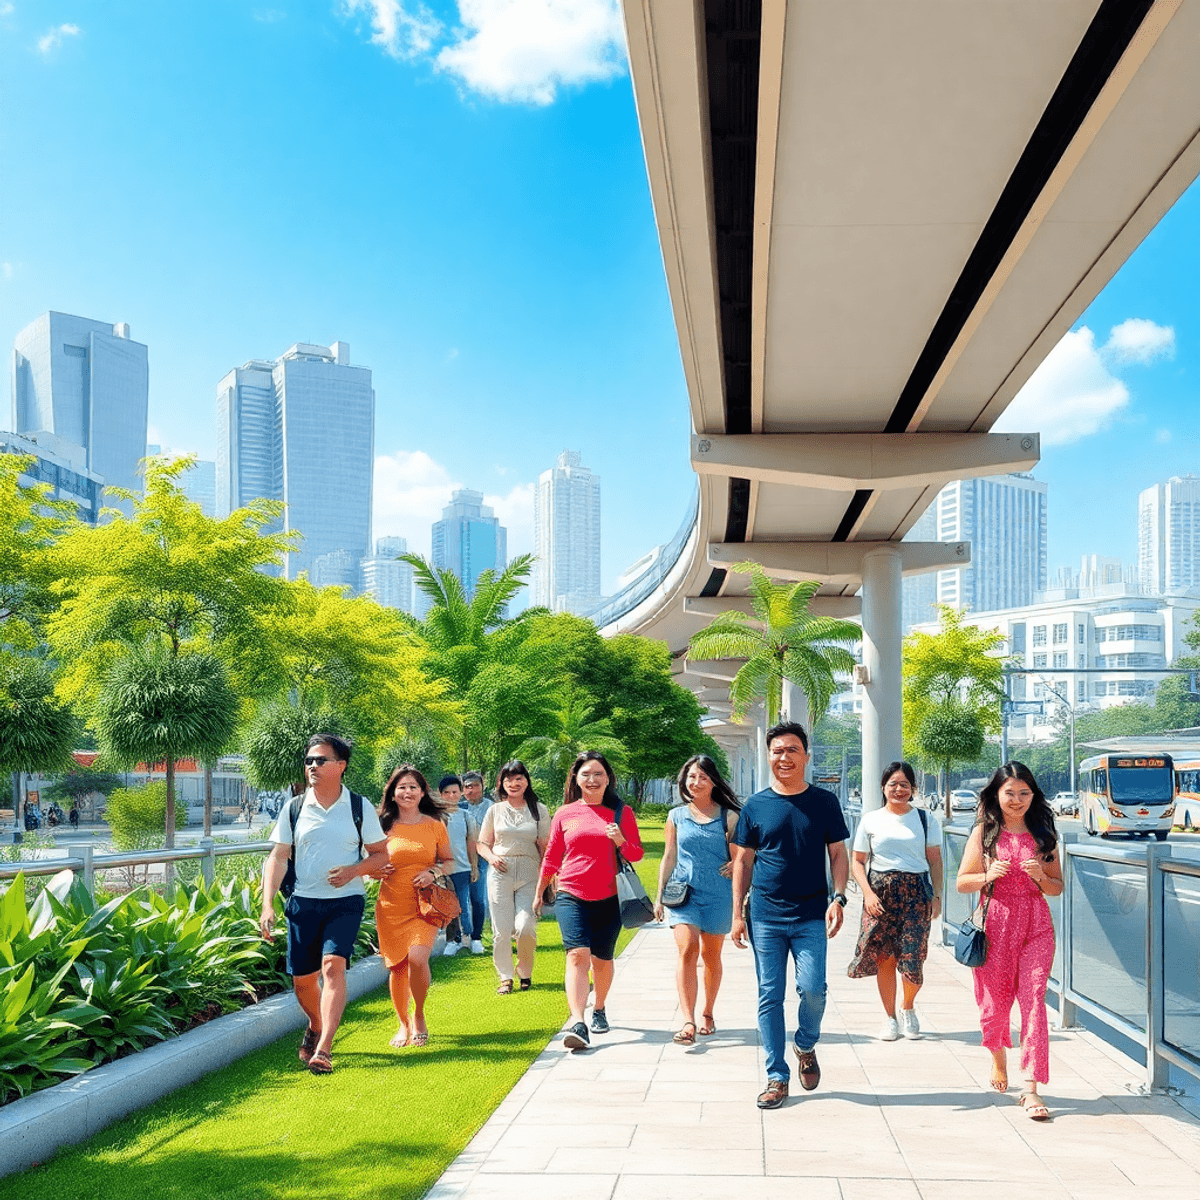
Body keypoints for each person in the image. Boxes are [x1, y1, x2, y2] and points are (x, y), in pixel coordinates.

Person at [731, 721, 850, 1109]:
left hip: (811, 914)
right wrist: (737, 913)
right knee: (770, 995)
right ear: (769, 756)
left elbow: (837, 854)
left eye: (792, 750)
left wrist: (839, 898)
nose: (784, 757)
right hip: (764, 915)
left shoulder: (824, 802)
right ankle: (775, 1077)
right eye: (778, 750)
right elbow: (743, 861)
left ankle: (805, 1043)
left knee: (814, 990)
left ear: (806, 755)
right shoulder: (755, 806)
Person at [259, 734, 389, 1074]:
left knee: (333, 966)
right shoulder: (294, 807)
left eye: (321, 760)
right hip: (303, 902)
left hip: (345, 902)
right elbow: (278, 857)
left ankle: (324, 1048)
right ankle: (316, 1024)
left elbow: (380, 856)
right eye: (309, 761)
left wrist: (353, 871)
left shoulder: (359, 807)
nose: (312, 766)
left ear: (341, 766)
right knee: (303, 981)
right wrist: (267, 905)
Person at [957, 761, 1062, 1120]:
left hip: (1036, 925)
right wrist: (987, 874)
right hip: (996, 924)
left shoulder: (1044, 833)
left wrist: (1039, 878)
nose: (1017, 800)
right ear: (996, 795)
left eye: (1024, 793)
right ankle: (999, 1059)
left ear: (1034, 795)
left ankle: (1030, 1089)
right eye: (1010, 793)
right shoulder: (985, 833)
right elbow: (962, 882)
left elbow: (1056, 887)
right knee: (995, 1004)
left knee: (1034, 1000)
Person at [533, 751, 643, 1052]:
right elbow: (553, 855)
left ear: (608, 779)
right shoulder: (564, 813)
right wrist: (540, 891)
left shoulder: (622, 813)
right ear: (576, 779)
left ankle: (600, 1007)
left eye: (598, 774)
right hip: (571, 893)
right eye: (586, 774)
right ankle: (578, 1021)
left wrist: (620, 839)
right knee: (577, 955)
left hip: (610, 896)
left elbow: (636, 854)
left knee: (602, 960)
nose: (592, 780)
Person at [848, 760, 943, 1041]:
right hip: (880, 893)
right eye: (893, 784)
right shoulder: (871, 819)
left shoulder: (926, 819)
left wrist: (937, 896)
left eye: (905, 784)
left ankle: (908, 1007)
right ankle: (889, 1018)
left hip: (916, 893)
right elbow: (857, 862)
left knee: (913, 958)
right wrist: (867, 893)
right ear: (883, 788)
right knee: (885, 958)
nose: (899, 789)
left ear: (913, 789)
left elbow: (935, 862)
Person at [654, 754, 740, 1044]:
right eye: (692, 776)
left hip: (718, 894)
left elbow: (741, 856)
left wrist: (736, 863)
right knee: (688, 948)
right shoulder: (676, 816)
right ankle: (688, 1020)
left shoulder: (728, 817)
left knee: (711, 956)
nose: (696, 782)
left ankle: (707, 1012)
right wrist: (658, 897)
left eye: (703, 777)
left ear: (713, 781)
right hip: (683, 894)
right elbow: (669, 857)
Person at [374, 765, 458, 1049]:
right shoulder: (381, 824)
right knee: (397, 967)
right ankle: (403, 1023)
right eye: (402, 787)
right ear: (393, 793)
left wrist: (433, 873)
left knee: (418, 958)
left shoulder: (435, 824)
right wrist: (375, 871)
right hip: (390, 904)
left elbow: (449, 861)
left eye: (413, 787)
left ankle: (419, 1015)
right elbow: (366, 861)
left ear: (422, 792)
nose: (407, 792)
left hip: (424, 904)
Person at [478, 760, 550, 993]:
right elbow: (482, 843)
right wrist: (491, 857)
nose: (514, 783)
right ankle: (505, 977)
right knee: (501, 928)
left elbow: (545, 847)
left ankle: (525, 971)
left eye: (518, 778)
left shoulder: (539, 810)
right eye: (508, 779)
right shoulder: (494, 810)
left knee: (525, 925)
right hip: (501, 871)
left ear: (527, 781)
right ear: (501, 783)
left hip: (530, 871)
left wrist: (548, 878)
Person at [437, 776, 482, 957]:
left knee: (463, 905)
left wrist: (474, 867)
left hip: (462, 868)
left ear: (461, 793)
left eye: (454, 792)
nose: (451, 796)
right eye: (446, 793)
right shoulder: (434, 818)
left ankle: (470, 937)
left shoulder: (466, 817)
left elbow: (472, 844)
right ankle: (452, 941)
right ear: (440, 794)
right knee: (448, 907)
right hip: (441, 870)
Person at [460, 771, 493, 949]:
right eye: (467, 787)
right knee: (458, 899)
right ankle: (459, 937)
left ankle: (476, 938)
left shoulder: (492, 807)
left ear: (482, 786)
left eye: (475, 786)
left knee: (478, 898)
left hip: (481, 858)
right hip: (459, 858)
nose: (471, 790)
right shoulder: (459, 807)